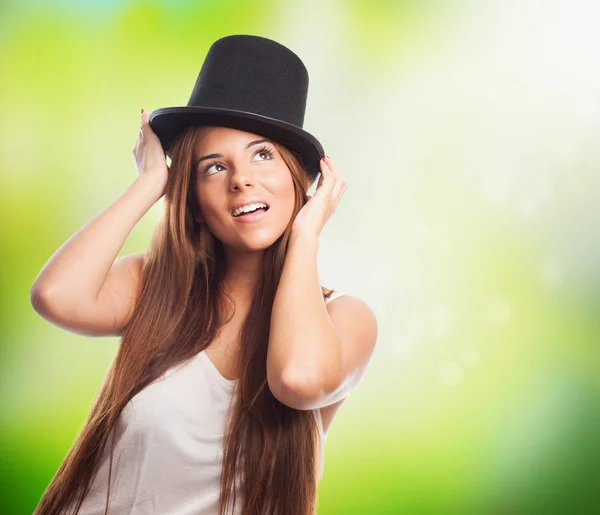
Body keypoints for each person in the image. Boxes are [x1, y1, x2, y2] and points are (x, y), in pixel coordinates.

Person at [30, 35, 378, 515]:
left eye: (262, 155)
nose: (241, 180)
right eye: (214, 167)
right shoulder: (157, 287)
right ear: (192, 196)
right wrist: (153, 181)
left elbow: (296, 379)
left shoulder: (346, 319)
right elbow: (55, 295)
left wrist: (305, 237)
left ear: (300, 176)